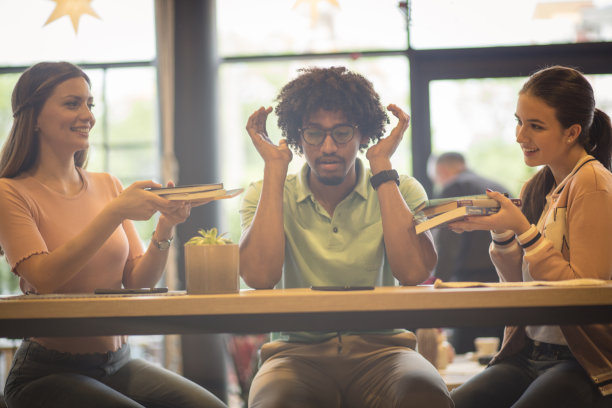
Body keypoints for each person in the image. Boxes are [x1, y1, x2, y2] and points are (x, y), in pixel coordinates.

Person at [0, 62, 226, 408]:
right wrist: (115, 212)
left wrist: (165, 226)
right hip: (46, 373)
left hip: (118, 362)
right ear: (33, 117)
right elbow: (45, 278)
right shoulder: (10, 192)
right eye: (72, 103)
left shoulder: (108, 185)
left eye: (90, 103)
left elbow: (137, 281)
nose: (87, 115)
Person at [239, 66, 453, 408]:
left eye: (341, 133)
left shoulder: (401, 189)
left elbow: (413, 273)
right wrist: (274, 170)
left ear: (363, 134)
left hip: (385, 351)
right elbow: (259, 277)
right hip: (294, 354)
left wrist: (382, 167)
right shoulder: (265, 192)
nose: (328, 147)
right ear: (297, 135)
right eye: (313, 133)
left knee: (425, 397)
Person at [448, 66, 612, 407]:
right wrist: (503, 233)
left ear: (572, 132)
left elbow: (585, 293)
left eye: (536, 126)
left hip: (579, 361)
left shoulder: (592, 184)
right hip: (530, 353)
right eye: (519, 121)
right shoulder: (539, 186)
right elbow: (520, 286)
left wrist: (525, 231)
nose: (521, 135)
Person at [431, 152, 507, 354]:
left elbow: (448, 243)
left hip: (469, 283)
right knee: (497, 350)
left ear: (442, 171)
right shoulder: (499, 188)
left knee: (466, 351)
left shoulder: (454, 188)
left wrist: (438, 281)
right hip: (505, 281)